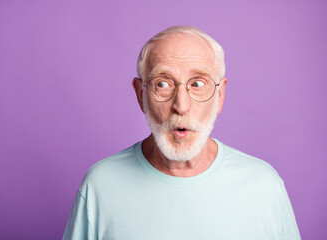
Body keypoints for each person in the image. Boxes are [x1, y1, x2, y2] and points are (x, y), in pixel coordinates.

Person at [63, 26, 301, 240]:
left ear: (220, 96)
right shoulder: (100, 186)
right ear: (140, 95)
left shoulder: (264, 185)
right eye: (162, 84)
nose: (181, 105)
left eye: (197, 84)